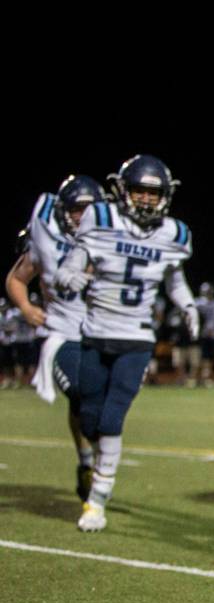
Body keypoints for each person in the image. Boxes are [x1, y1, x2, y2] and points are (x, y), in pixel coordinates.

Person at [55, 154, 199, 532]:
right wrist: (69, 277)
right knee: (89, 418)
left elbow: (174, 278)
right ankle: (94, 471)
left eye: (154, 193)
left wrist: (186, 304)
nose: (148, 199)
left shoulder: (173, 233)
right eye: (140, 191)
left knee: (112, 418)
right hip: (95, 333)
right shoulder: (100, 220)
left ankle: (97, 501)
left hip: (136, 339)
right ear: (123, 191)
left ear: (165, 196)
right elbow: (73, 262)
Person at [7, 174, 105, 498]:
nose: (82, 216)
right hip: (61, 333)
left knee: (100, 402)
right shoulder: (47, 241)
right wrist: (25, 306)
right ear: (64, 211)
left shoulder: (109, 243)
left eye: (89, 210)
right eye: (77, 209)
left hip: (100, 334)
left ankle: (86, 460)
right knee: (80, 392)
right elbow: (17, 278)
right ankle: (95, 465)